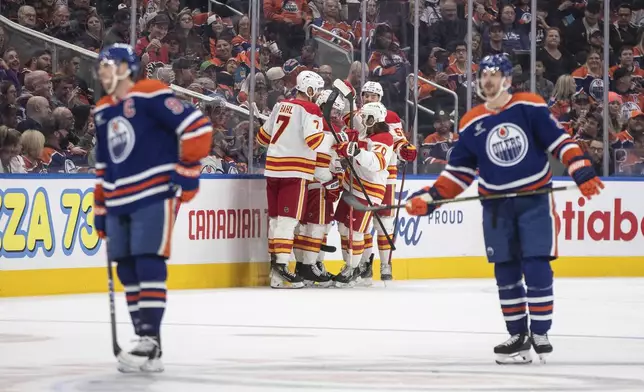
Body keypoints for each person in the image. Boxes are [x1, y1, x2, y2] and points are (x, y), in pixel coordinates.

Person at [405, 55, 604, 364]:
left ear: (508, 80)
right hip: (496, 206)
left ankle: (540, 330)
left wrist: (580, 168)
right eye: (483, 75)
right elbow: (459, 172)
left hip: (533, 200)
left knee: (536, 264)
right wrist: (431, 197)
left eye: (495, 75)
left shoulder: (530, 106)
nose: (488, 80)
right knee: (506, 270)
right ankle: (517, 334)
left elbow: (560, 142)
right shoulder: (471, 121)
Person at [92, 44, 212, 372]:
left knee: (148, 261)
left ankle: (149, 342)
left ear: (127, 69)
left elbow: (196, 126)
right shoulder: (102, 110)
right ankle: (147, 342)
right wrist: (100, 204)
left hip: (153, 193)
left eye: (110, 68)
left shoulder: (149, 93)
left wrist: (187, 170)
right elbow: (104, 163)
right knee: (126, 267)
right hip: (118, 199)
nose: (104, 75)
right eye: (101, 69)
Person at [254, 70, 326, 289]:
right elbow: (313, 141)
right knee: (287, 221)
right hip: (295, 171)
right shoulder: (311, 108)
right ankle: (283, 267)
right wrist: (327, 133)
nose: (318, 94)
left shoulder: (280, 105)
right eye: (317, 90)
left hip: (273, 169)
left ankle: (275, 271)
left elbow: (262, 137)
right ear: (310, 89)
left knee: (276, 220)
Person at [356, 81, 416, 282]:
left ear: (380, 98)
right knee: (362, 223)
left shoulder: (390, 117)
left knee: (384, 222)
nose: (368, 99)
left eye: (373, 96)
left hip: (385, 173)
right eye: (366, 95)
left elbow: (398, 141)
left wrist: (405, 149)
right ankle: (364, 264)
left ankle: (385, 265)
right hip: (360, 173)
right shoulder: (357, 115)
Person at [332, 101, 393, 287]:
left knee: (355, 231)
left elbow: (377, 163)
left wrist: (356, 151)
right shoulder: (366, 134)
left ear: (375, 118)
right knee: (344, 228)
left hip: (369, 189)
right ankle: (351, 266)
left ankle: (353, 269)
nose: (363, 119)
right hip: (352, 185)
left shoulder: (384, 138)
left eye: (366, 116)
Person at [292, 89, 345, 287]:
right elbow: (319, 165)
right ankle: (309, 266)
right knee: (315, 227)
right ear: (322, 109)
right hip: (318, 185)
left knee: (310, 227)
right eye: (332, 111)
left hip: (316, 183)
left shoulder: (328, 129)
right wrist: (331, 182)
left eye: (338, 112)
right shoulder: (321, 129)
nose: (335, 116)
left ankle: (309, 265)